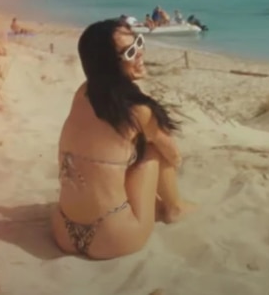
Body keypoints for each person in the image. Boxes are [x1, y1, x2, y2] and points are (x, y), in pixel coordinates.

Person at [51, 18, 195, 259]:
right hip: (114, 238)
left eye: (138, 42)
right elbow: (175, 156)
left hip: (63, 233)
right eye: (129, 51)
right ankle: (174, 208)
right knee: (153, 149)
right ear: (109, 64)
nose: (139, 52)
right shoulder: (138, 110)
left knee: (117, 157)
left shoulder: (82, 93)